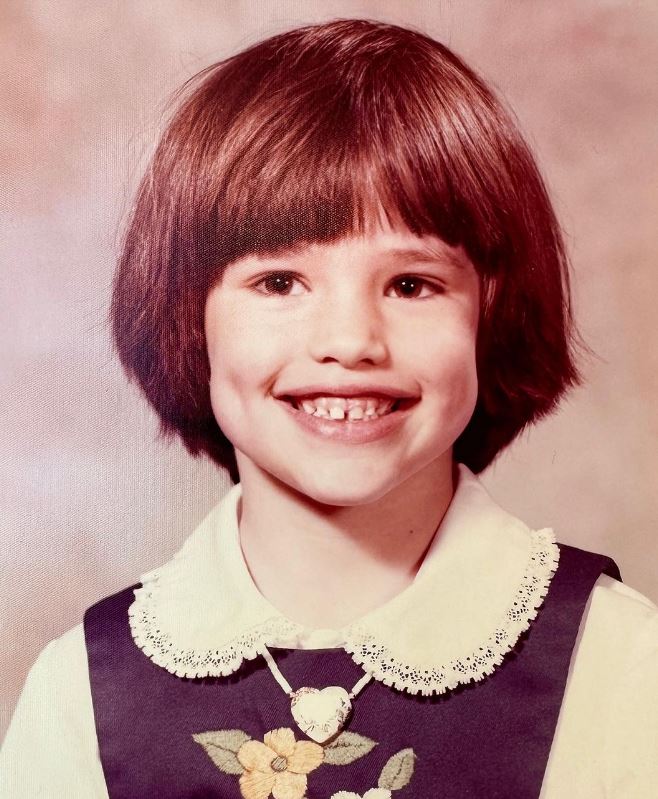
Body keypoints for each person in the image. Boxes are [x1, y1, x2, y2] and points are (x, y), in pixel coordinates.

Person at [1, 18, 656, 799]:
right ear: (187, 316)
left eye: (411, 284)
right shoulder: (82, 691)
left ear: (493, 314)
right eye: (280, 282)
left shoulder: (621, 664)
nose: (350, 341)